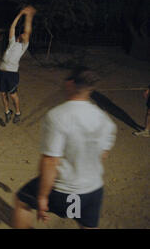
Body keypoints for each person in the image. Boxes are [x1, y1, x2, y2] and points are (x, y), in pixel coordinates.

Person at [12, 67, 117, 229]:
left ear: (70, 83)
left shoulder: (57, 115)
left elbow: (50, 161)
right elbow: (102, 155)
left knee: (22, 202)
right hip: (93, 190)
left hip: (65, 191)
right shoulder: (106, 120)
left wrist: (42, 197)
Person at [0, 6, 36, 124]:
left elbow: (28, 31)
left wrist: (28, 17)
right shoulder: (12, 42)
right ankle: (7, 112)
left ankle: (18, 113)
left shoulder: (23, 46)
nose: (24, 34)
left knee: (13, 95)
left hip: (12, 73)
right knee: (3, 94)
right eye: (23, 34)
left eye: (26, 35)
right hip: (2, 71)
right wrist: (20, 14)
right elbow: (12, 27)